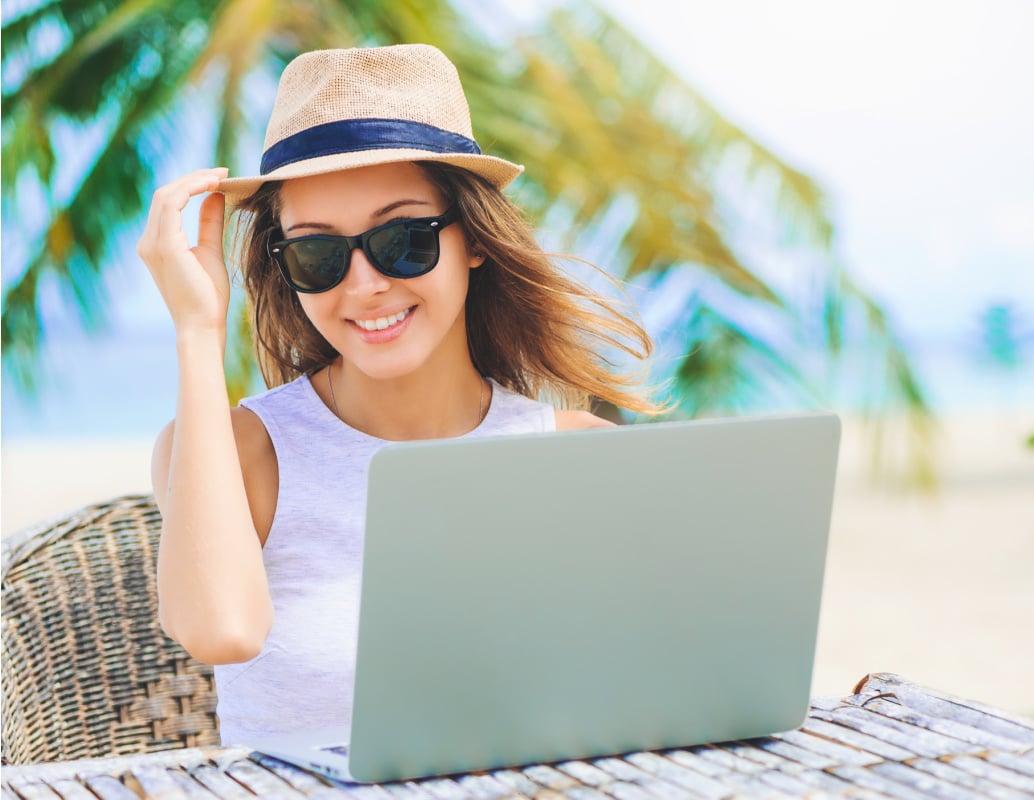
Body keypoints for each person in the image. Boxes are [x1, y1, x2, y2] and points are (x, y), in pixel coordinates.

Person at [137, 43, 659, 744]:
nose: (363, 285)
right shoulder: (236, 453)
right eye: (317, 254)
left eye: (404, 239)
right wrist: (197, 333)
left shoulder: (583, 459)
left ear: (473, 237)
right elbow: (219, 631)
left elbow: (637, 698)